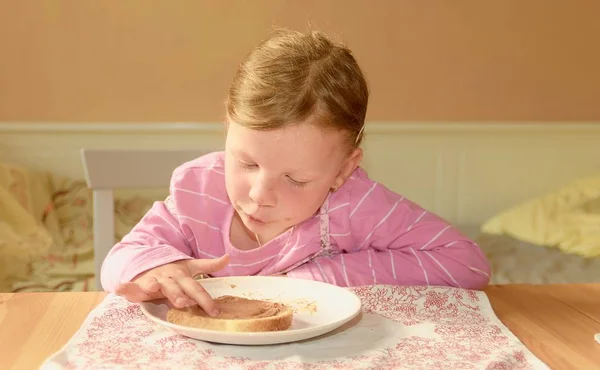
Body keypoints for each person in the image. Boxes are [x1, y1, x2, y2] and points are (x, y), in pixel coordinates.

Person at [102, 28, 491, 316]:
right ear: (228, 126)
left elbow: (468, 262)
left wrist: (322, 275)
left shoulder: (354, 203)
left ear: (343, 170)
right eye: (247, 163)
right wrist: (158, 267)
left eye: (296, 179)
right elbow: (117, 263)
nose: (259, 194)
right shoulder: (197, 191)